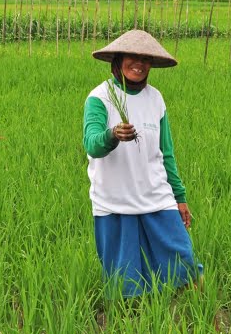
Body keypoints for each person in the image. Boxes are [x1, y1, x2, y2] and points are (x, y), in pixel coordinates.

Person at [83, 29, 200, 297]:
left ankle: (191, 314)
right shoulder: (99, 98)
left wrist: (180, 197)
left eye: (145, 58)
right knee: (126, 283)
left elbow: (166, 153)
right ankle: (134, 321)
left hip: (156, 197)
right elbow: (91, 144)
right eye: (132, 57)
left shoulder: (155, 98)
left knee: (183, 264)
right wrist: (112, 135)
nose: (139, 63)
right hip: (115, 202)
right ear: (118, 60)